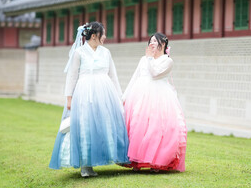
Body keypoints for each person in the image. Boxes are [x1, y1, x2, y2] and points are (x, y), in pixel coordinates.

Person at [49, 22, 129, 177]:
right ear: (94, 36)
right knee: (86, 125)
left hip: (105, 93)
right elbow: (72, 77)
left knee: (104, 123)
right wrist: (69, 98)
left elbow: (113, 75)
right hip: (84, 93)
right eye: (103, 34)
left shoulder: (106, 52)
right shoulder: (79, 53)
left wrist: (119, 96)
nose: (105, 37)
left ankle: (108, 156)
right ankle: (86, 166)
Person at [122, 32, 187, 172]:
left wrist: (150, 59)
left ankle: (156, 162)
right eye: (150, 41)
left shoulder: (167, 61)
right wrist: (124, 97)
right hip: (139, 96)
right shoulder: (143, 59)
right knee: (137, 126)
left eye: (155, 41)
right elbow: (135, 78)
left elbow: (155, 74)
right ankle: (135, 160)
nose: (151, 44)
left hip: (159, 97)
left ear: (163, 44)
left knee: (156, 128)